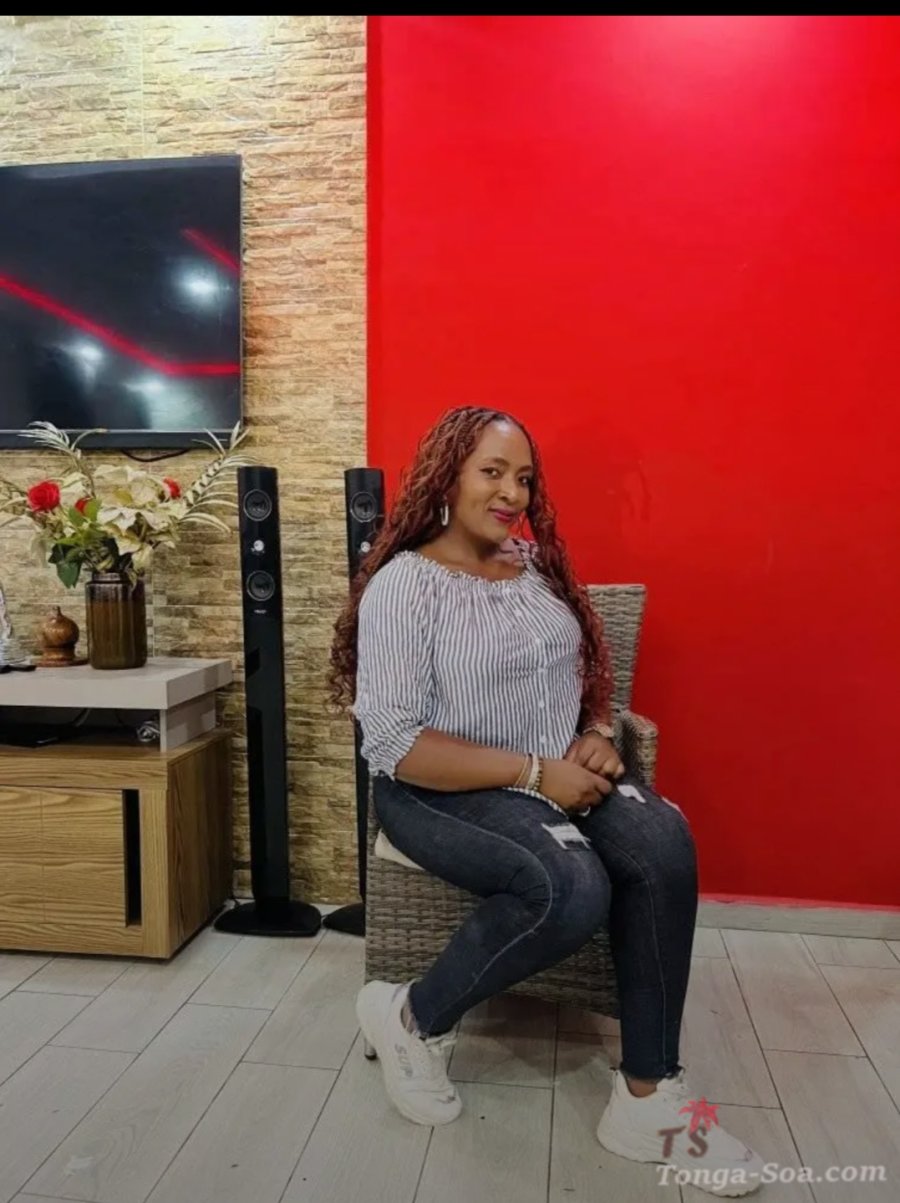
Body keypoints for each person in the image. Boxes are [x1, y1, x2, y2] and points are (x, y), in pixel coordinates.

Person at [329, 406, 764, 1195]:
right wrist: (535, 772)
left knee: (664, 839)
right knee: (570, 885)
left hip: (552, 768)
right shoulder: (404, 586)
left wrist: (596, 728)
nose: (512, 493)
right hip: (434, 788)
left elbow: (586, 665)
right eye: (492, 472)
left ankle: (647, 1097)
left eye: (523, 477)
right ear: (447, 476)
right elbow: (393, 742)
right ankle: (409, 1015)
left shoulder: (533, 566)